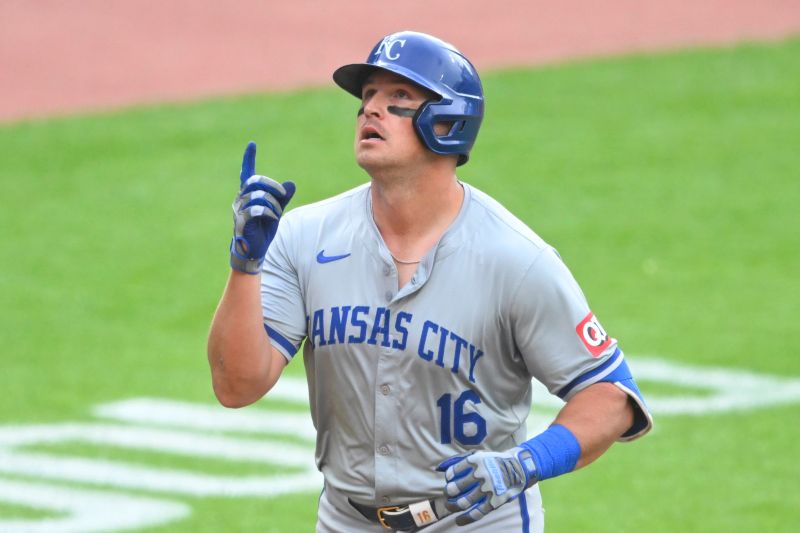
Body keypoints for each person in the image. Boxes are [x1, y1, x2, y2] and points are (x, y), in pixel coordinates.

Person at [207, 30, 652, 532]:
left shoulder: (515, 259)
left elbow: (612, 396)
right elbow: (236, 385)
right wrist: (246, 266)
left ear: (450, 122)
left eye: (399, 98)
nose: (371, 109)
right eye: (368, 96)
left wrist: (523, 463)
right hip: (345, 520)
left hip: (477, 523)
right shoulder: (303, 237)